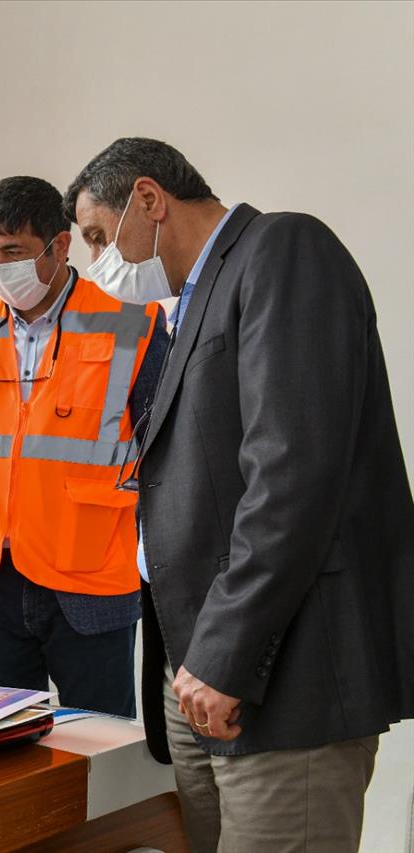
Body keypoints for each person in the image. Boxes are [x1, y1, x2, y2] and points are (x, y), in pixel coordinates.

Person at [65, 137, 414, 852]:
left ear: (150, 200)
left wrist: (221, 656)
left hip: (281, 678)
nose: (99, 261)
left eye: (100, 236)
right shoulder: (190, 302)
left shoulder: (284, 250)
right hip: (199, 672)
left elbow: (291, 478)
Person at [0, 176, 167, 716]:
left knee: (97, 756)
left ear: (60, 245)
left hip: (89, 580)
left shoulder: (134, 324)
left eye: (13, 251)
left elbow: (161, 456)